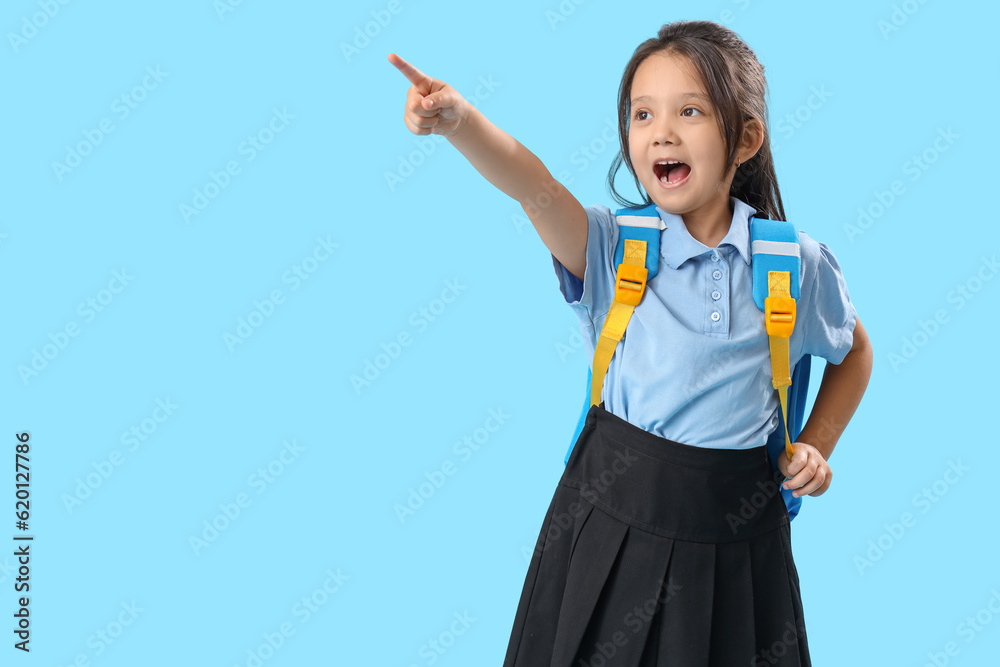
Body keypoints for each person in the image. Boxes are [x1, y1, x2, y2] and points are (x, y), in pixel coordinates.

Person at [390, 19, 872, 667]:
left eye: (690, 110)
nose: (661, 131)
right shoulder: (616, 250)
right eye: (642, 114)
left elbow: (855, 352)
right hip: (609, 521)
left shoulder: (794, 263)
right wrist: (460, 121)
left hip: (740, 537)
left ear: (747, 139)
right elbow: (533, 184)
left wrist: (816, 442)